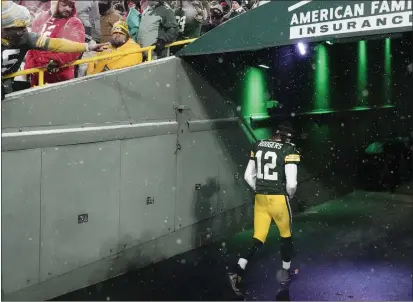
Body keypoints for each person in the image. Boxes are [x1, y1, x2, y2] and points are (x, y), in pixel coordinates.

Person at [228, 121, 300, 296]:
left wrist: (260, 188)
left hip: (260, 199)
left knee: (257, 238)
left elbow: (247, 176)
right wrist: (288, 195)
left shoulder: (259, 145)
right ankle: (285, 273)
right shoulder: (288, 150)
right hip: (278, 199)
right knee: (286, 237)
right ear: (285, 137)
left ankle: (238, 272)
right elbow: (291, 183)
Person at [1, 1, 105, 99]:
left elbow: (57, 44)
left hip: (14, 83)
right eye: (19, 27)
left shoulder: (27, 38)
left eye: (25, 26)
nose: (24, 29)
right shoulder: (40, 18)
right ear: (3, 28)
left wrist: (87, 47)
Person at [25, 0, 85, 86]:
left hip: (59, 75)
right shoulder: (40, 17)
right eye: (64, 5)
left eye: (71, 6)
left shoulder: (74, 22)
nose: (68, 9)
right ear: (54, 3)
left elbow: (75, 50)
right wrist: (29, 66)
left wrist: (57, 61)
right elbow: (32, 45)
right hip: (36, 73)